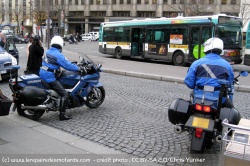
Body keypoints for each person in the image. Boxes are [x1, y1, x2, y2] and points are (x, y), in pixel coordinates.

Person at [184, 37, 234, 108]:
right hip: (218, 101)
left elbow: (189, 83)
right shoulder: (227, 66)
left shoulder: (196, 63)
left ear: (207, 47)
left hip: (198, 99)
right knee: (231, 111)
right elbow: (229, 83)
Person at [39, 36, 80, 121]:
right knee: (64, 94)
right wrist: (79, 68)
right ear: (60, 45)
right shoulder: (58, 54)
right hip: (49, 77)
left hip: (42, 74)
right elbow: (67, 65)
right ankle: (62, 114)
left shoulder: (48, 52)